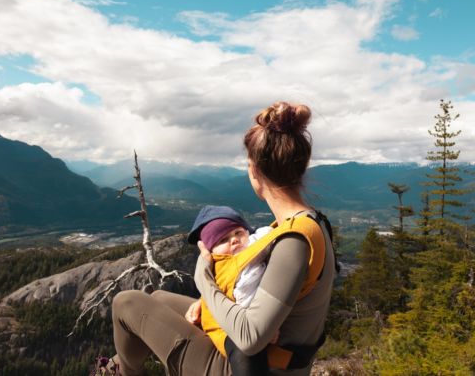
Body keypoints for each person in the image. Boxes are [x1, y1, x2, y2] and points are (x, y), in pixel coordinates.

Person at [109, 101, 337, 376]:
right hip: (265, 358)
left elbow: (251, 337)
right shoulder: (310, 223)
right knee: (157, 298)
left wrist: (204, 280)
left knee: (126, 302)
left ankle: (121, 372)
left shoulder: (294, 242)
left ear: (254, 171)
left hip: (249, 367)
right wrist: (210, 305)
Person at [183, 205, 275, 375]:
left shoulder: (253, 248)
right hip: (225, 328)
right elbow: (223, 285)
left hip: (248, 323)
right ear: (212, 252)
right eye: (223, 240)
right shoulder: (221, 265)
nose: (234, 240)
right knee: (244, 351)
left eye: (238, 233)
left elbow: (269, 234)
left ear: (248, 233)